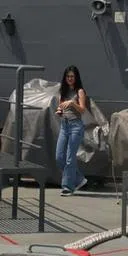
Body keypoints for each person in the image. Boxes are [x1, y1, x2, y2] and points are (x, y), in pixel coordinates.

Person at [54, 65, 89, 196]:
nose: (70, 78)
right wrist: (59, 111)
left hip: (75, 126)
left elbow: (83, 110)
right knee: (59, 157)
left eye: (72, 76)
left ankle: (68, 187)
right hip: (64, 125)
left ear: (76, 77)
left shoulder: (80, 91)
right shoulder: (63, 91)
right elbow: (60, 107)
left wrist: (72, 103)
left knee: (70, 157)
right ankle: (79, 179)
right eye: (68, 76)